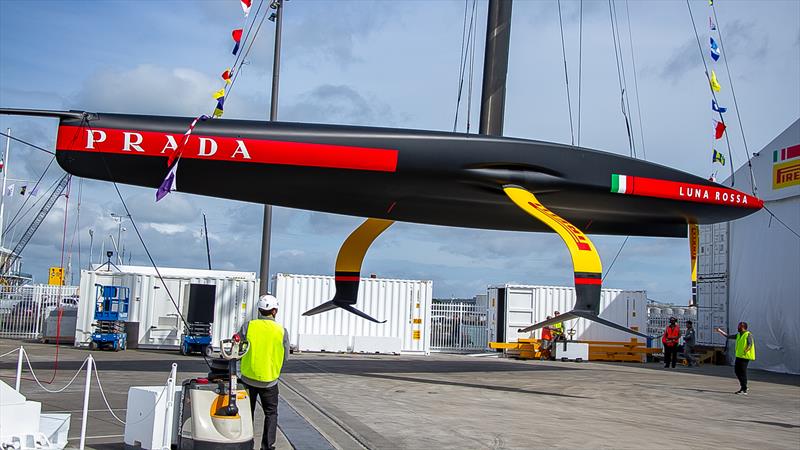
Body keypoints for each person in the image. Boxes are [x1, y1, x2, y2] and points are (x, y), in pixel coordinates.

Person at [238, 294, 290, 450]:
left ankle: (246, 444)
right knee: (271, 414)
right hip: (269, 380)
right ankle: (267, 447)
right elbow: (286, 356)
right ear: (274, 311)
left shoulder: (248, 326)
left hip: (248, 378)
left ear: (259, 310)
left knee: (248, 413)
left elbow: (239, 349)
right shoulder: (281, 331)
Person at [716, 322, 755, 395]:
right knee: (737, 371)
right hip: (739, 356)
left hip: (745, 356)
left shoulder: (748, 334)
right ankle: (744, 386)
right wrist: (720, 331)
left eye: (739, 326)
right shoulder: (738, 335)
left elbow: (750, 343)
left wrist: (746, 350)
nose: (738, 328)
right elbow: (728, 336)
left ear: (743, 327)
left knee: (743, 372)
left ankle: (744, 389)